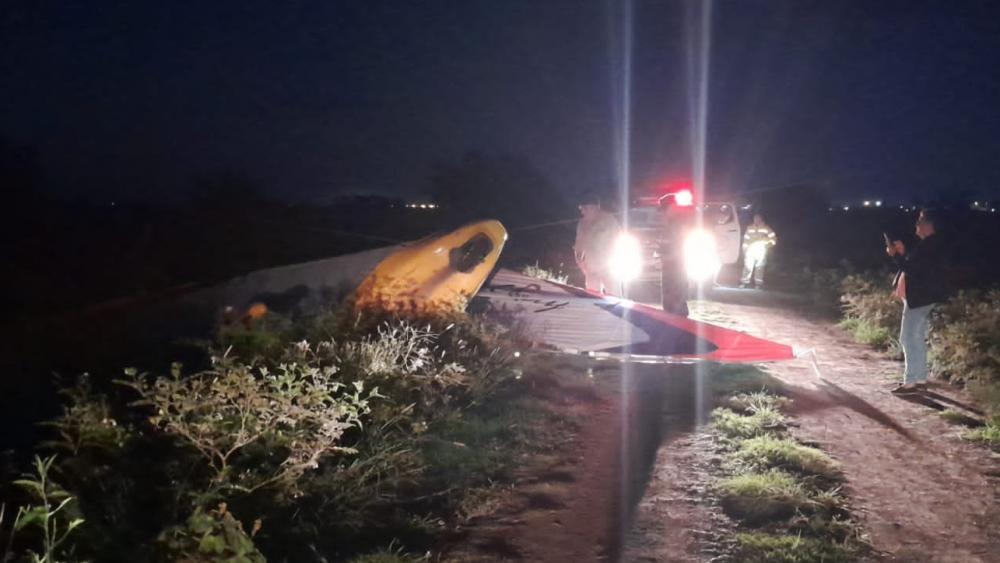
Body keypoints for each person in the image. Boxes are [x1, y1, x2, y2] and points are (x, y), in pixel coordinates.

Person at [887, 209, 949, 394]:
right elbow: (915, 266)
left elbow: (914, 270)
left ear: (929, 225)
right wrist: (903, 253)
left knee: (907, 338)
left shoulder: (930, 245)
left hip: (920, 299)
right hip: (920, 298)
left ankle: (911, 382)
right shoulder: (930, 244)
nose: (916, 225)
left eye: (920, 222)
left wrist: (896, 255)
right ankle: (919, 380)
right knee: (915, 338)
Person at [574, 192, 621, 295]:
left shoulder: (609, 221)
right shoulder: (581, 224)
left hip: (608, 268)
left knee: (615, 297)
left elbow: (619, 240)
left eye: (584, 208)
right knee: (592, 297)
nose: (582, 211)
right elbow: (579, 244)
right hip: (591, 268)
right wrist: (579, 262)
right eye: (581, 208)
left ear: (593, 208)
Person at [740, 213, 777, 289]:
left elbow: (773, 239)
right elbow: (746, 239)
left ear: (761, 219)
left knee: (759, 267)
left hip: (760, 250)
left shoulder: (766, 228)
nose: (756, 220)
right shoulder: (749, 228)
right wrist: (745, 249)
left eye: (757, 218)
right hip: (750, 250)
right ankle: (744, 282)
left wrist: (767, 245)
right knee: (747, 266)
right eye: (755, 218)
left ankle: (758, 284)